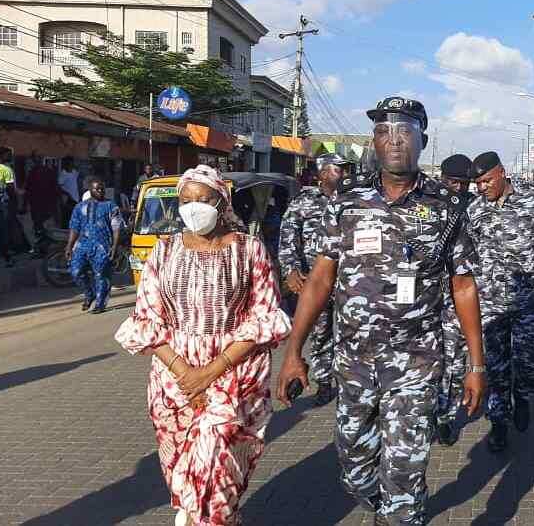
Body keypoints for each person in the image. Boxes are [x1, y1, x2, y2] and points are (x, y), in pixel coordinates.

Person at [276, 97, 487, 525]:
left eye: (405, 131)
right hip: (353, 360)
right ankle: (386, 503)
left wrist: (475, 365)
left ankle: (401, 510)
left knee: (404, 480)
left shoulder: (447, 208)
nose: (394, 140)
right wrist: (294, 351)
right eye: (384, 131)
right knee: (355, 470)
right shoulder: (347, 204)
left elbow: (463, 286)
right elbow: (320, 279)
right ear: (373, 141)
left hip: (416, 363)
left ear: (422, 140)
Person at [114, 164, 291, 526]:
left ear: (221, 202)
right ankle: (214, 516)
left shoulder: (249, 250)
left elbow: (264, 316)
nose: (193, 208)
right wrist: (185, 374)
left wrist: (210, 372)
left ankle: (206, 518)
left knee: (215, 459)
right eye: (185, 200)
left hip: (234, 370)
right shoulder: (163, 252)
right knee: (182, 464)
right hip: (172, 375)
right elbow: (147, 318)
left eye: (203, 200)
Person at [468, 151, 534, 452]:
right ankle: (498, 423)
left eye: (486, 181)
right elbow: (468, 256)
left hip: (527, 301)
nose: (482, 187)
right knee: (495, 367)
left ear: (502, 173)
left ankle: (522, 398)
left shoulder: (532, 201)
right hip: (490, 303)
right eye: (477, 183)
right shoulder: (475, 210)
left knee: (526, 362)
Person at [279, 153, 354, 406]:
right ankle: (324, 382)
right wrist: (290, 269)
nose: (344, 174)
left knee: (349, 332)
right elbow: (289, 237)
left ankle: (350, 382)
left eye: (345, 170)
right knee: (320, 333)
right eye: (339, 170)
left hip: (349, 281)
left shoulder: (355, 200)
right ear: (323, 174)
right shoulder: (304, 201)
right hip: (314, 280)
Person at [434, 153, 476, 447]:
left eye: (464, 184)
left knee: (454, 359)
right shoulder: (426, 205)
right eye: (453, 182)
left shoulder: (475, 209)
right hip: (422, 299)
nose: (458, 189)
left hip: (457, 296)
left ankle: (445, 416)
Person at [65, 177, 123, 313]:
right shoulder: (80, 207)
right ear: (90, 190)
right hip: (82, 245)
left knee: (101, 274)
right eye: (97, 189)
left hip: (102, 246)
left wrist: (114, 246)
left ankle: (100, 303)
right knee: (75, 271)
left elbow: (116, 227)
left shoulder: (111, 206)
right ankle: (89, 294)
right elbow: (74, 227)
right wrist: (69, 246)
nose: (101, 191)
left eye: (102, 188)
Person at [22, 155, 58, 245]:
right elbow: (55, 188)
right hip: (43, 203)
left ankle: (42, 243)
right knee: (43, 224)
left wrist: (24, 204)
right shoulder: (48, 172)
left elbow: (27, 190)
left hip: (38, 203)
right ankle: (43, 243)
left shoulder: (33, 173)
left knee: (39, 224)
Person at [0, 149, 15, 266]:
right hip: (1, 204)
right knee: (3, 230)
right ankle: (7, 257)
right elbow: (11, 188)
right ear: (2, 156)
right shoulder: (6, 170)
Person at [57, 156, 80, 227]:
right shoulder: (63, 174)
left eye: (72, 162)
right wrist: (67, 194)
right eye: (69, 163)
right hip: (68, 200)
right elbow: (58, 186)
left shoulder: (74, 172)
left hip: (76, 199)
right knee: (66, 217)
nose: (71, 164)